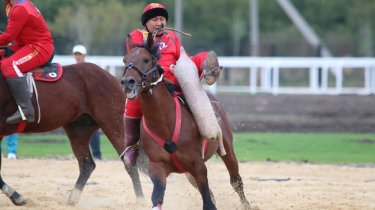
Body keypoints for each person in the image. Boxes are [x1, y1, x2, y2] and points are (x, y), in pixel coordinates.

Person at [122, 2, 221, 166]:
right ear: (146, 22)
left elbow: (183, 56)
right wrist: (152, 39)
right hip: (151, 81)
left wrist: (182, 65)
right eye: (155, 19)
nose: (159, 23)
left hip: (174, 78)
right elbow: (138, 55)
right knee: (132, 104)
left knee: (200, 58)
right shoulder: (136, 36)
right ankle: (131, 146)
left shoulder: (172, 37)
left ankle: (208, 70)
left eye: (162, 19)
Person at [0, 0, 54, 124]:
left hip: (40, 47)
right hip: (25, 45)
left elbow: (9, 37)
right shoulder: (11, 6)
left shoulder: (20, 8)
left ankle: (26, 109)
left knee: (8, 65)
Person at [72, 44, 102, 160]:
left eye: (79, 54)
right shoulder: (72, 70)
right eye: (76, 54)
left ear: (84, 55)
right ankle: (82, 156)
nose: (78, 56)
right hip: (77, 105)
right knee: (77, 131)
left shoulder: (90, 69)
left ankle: (97, 155)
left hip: (90, 105)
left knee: (93, 130)